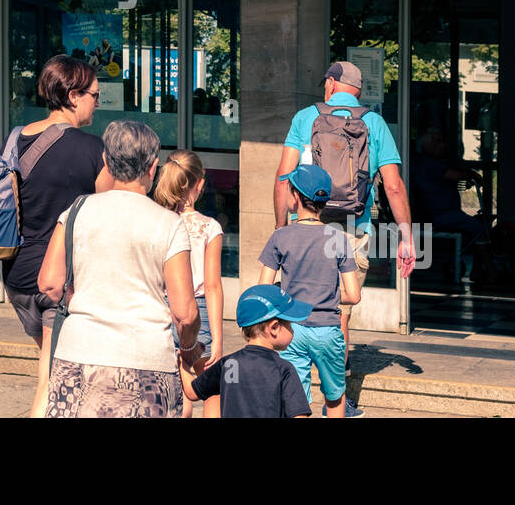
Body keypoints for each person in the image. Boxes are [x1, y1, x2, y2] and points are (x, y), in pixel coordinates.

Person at [272, 60, 414, 417]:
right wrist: (407, 237)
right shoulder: (374, 123)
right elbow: (393, 186)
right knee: (338, 315)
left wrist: (281, 231)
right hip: (349, 230)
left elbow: (282, 178)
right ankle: (336, 403)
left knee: (295, 311)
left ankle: (295, 397)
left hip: (303, 228)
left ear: (333, 83)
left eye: (326, 83)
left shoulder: (305, 118)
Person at [0, 55, 108, 418]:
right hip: (58, 283)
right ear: (74, 95)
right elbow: (112, 213)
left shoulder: (16, 139)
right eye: (96, 95)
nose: (98, 101)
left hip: (17, 279)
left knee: (57, 366)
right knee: (49, 381)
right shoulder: (94, 149)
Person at [38, 121, 200, 418]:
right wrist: (189, 348)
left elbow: (49, 282)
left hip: (78, 354)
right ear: (153, 167)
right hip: (146, 360)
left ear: (106, 163)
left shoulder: (76, 211)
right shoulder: (169, 224)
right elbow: (185, 313)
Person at [260, 164, 362, 417]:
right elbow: (354, 295)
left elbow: (262, 289)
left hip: (292, 330)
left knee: (296, 402)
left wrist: (287, 294)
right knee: (335, 399)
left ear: (295, 197)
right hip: (328, 330)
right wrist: (324, 293)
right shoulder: (338, 239)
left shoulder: (281, 237)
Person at [154, 149, 224, 418]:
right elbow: (213, 285)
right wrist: (217, 337)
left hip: (163, 310)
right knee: (211, 389)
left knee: (175, 388)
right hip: (198, 311)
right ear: (200, 184)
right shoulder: (209, 227)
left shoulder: (159, 223)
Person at [178, 285, 313, 419]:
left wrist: (182, 362)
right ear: (274, 327)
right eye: (289, 324)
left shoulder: (230, 364)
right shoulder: (283, 369)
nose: (292, 330)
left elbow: (191, 392)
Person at [412, 127, 497, 283]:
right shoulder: (429, 164)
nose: (443, 145)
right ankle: (490, 271)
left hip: (443, 213)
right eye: (437, 141)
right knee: (480, 228)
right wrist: (472, 174)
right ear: (426, 146)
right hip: (440, 214)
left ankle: (478, 270)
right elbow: (456, 175)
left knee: (478, 226)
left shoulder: (429, 163)